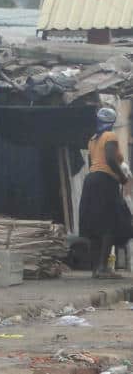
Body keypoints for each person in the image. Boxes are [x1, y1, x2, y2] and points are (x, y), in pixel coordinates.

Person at [79, 108, 129, 279]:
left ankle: (96, 268)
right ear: (112, 122)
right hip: (105, 181)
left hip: (91, 180)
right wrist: (122, 177)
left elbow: (93, 161)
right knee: (109, 225)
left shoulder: (92, 140)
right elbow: (109, 159)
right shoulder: (110, 137)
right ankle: (103, 268)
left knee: (95, 225)